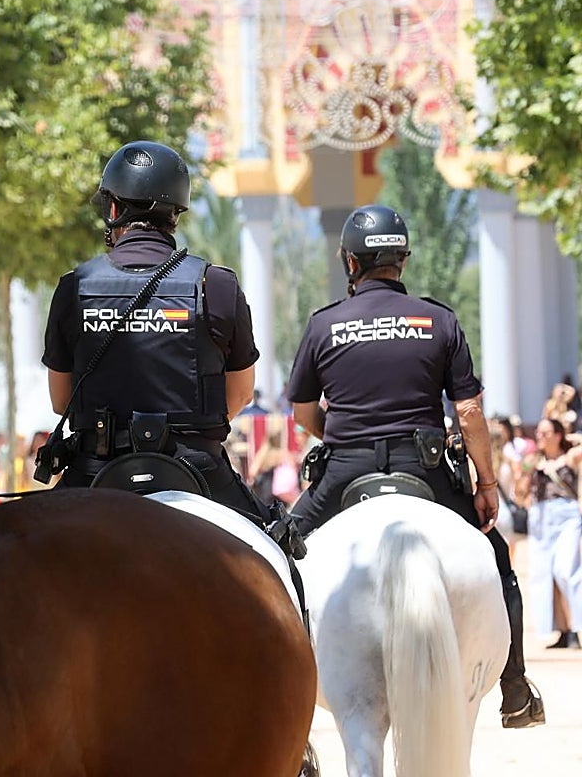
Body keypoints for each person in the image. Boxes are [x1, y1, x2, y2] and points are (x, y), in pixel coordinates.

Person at [284, 203, 544, 729]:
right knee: (495, 558)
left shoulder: (325, 325)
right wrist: (487, 483)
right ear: (401, 260)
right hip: (423, 469)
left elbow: (302, 412)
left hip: (342, 473)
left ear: (350, 263)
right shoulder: (438, 319)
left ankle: (283, 705)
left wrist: (338, 434)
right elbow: (468, 411)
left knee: (280, 562)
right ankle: (515, 689)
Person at [41, 141, 298, 544]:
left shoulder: (75, 288)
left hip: (95, 469)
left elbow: (61, 402)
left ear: (113, 210)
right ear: (175, 215)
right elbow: (242, 392)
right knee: (282, 553)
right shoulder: (216, 284)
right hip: (198, 469)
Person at [514, 419, 582, 650]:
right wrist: (525, 471)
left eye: (546, 432)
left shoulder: (569, 458)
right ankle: (562, 631)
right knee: (543, 576)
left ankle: (576, 627)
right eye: (539, 432)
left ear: (558, 435)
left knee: (566, 570)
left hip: (566, 515)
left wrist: (574, 438)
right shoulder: (534, 461)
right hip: (540, 517)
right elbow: (520, 487)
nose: (540, 436)